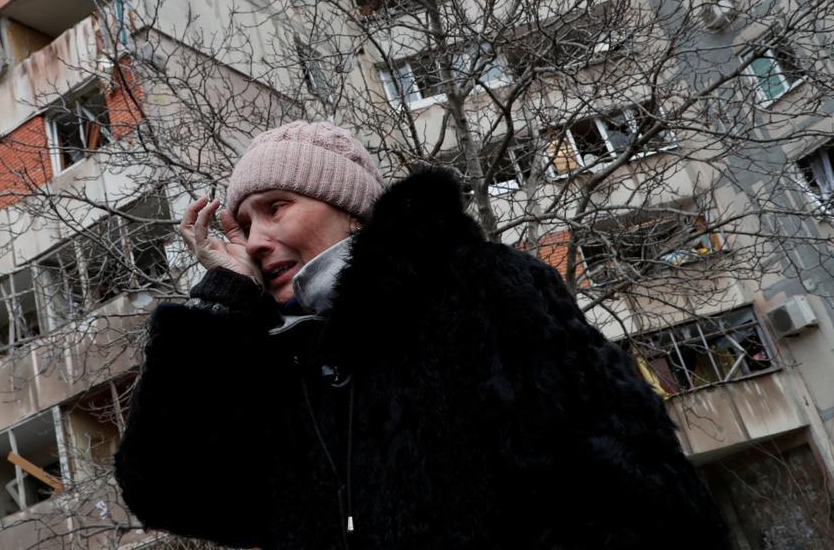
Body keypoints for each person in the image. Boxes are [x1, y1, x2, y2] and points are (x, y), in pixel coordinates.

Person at [115, 121, 729, 549]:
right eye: (245, 222)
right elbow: (168, 491)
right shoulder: (276, 360)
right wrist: (221, 307)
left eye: (276, 207)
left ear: (351, 208)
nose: (253, 239)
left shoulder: (478, 286)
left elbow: (629, 485)